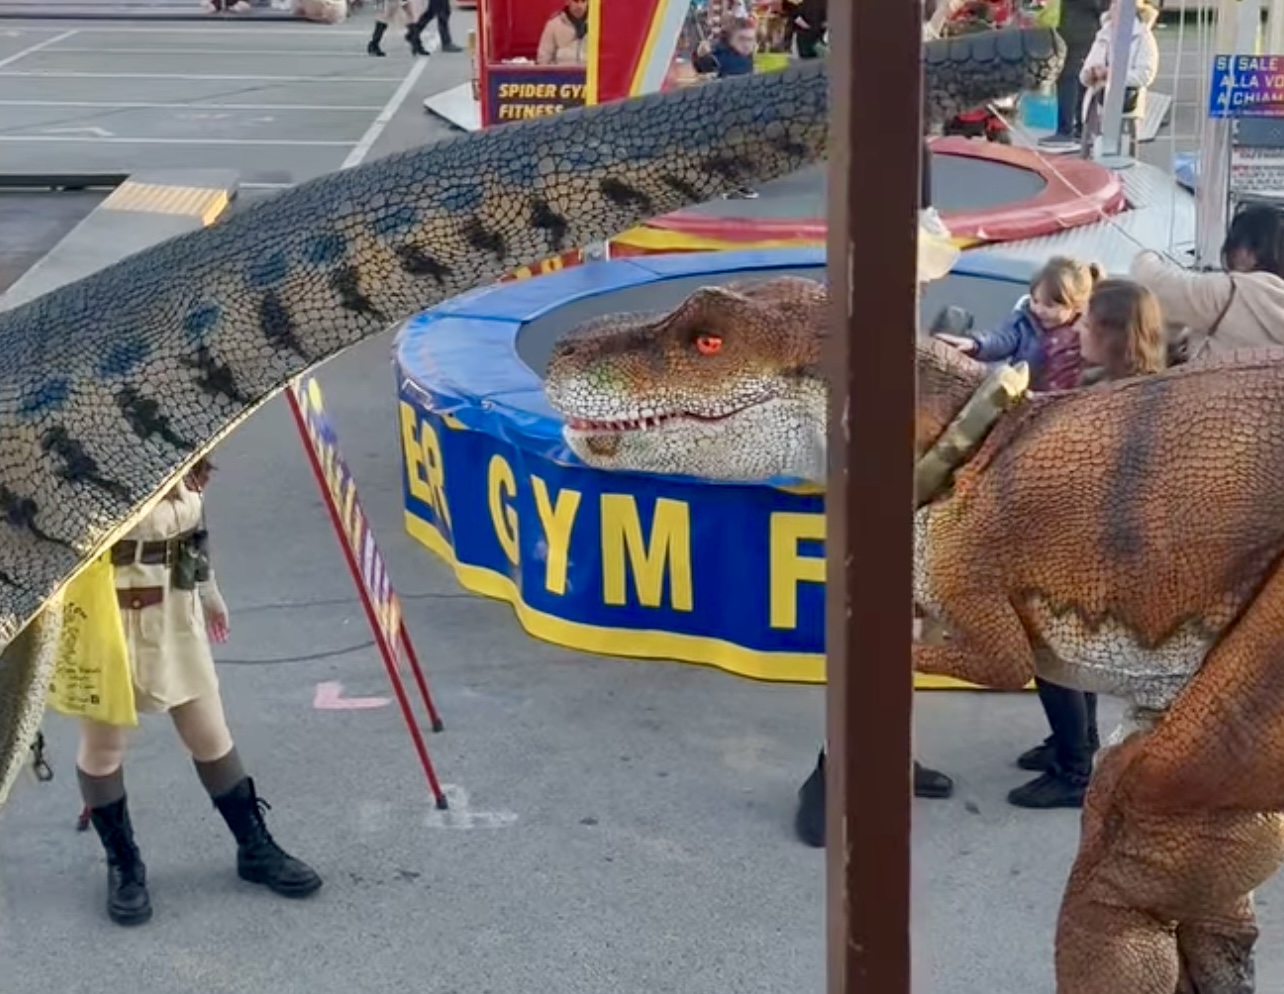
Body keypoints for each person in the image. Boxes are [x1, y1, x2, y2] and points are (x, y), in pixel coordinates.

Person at [77, 458, 321, 927]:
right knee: (105, 746)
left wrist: (209, 590)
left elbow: (192, 534)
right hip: (104, 623)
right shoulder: (77, 459)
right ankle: (124, 865)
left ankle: (255, 849)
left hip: (174, 613)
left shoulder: (177, 442)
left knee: (209, 734)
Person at [1008, 279, 1167, 809]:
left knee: (1051, 653)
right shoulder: (1130, 382)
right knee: (1068, 651)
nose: (1075, 329)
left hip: (1098, 549)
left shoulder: (1117, 398)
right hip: (1101, 544)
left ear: (1112, 331)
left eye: (1085, 322)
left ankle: (1074, 771)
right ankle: (1076, 740)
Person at [1129, 202, 1284, 359]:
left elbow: (1151, 281)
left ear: (1245, 251)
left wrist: (1150, 255)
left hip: (1214, 382)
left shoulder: (1230, 293)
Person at [934, 256, 1104, 392]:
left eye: (1050, 305)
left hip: (1066, 404)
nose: (1039, 309)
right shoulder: (1024, 321)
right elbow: (1001, 339)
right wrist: (975, 344)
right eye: (1035, 300)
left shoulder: (1083, 331)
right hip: (1025, 396)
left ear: (1076, 307)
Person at [693, 17, 761, 200]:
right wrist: (700, 55)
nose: (747, 45)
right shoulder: (719, 55)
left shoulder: (747, 56)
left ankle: (740, 182)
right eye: (742, 39)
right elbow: (702, 67)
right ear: (729, 39)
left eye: (751, 39)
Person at [1077, 0, 1159, 140]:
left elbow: (1146, 75)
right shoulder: (1104, 34)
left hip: (1128, 98)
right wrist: (1091, 73)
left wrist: (1111, 75)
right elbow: (1085, 72)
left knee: (1121, 141)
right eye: (1113, 7)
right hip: (1099, 97)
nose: (1115, 11)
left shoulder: (1144, 37)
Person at [1038, 0, 1106, 152]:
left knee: (1068, 80)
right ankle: (1079, 129)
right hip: (1080, 30)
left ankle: (1066, 131)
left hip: (1075, 32)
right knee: (1078, 79)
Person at [537, 0, 589, 66]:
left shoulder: (599, 24)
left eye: (583, 1)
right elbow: (543, 60)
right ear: (567, 1)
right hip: (560, 75)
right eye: (576, 1)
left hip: (590, 75)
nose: (579, 6)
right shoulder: (554, 24)